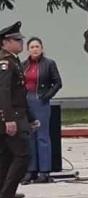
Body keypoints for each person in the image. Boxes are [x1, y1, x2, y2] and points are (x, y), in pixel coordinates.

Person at [21, 37, 62, 185]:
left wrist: (47, 96)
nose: (35, 49)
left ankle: (44, 171)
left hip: (41, 101)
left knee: (42, 136)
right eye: (32, 47)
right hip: (26, 102)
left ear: (42, 48)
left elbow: (58, 82)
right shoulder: (23, 65)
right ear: (28, 50)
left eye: (37, 46)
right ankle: (30, 170)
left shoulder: (49, 64)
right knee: (29, 136)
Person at [0, 22, 31, 198]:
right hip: (11, 118)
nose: (21, 43)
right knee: (22, 156)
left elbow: (21, 94)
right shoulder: (6, 63)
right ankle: (6, 196)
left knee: (6, 158)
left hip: (17, 115)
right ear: (5, 42)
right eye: (16, 40)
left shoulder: (13, 60)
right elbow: (4, 92)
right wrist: (8, 119)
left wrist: (32, 118)